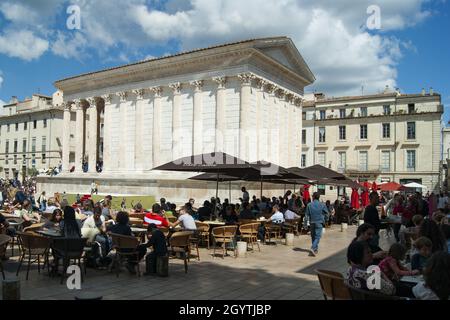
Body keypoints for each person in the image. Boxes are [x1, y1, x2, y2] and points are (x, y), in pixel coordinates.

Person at [303, 192, 329, 257]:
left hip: (312, 222)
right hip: (319, 222)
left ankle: (315, 249)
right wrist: (326, 220)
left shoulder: (309, 205)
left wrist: (305, 224)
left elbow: (306, 215)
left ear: (313, 197)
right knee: (317, 237)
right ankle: (313, 248)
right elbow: (327, 213)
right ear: (319, 197)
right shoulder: (322, 204)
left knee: (313, 236)